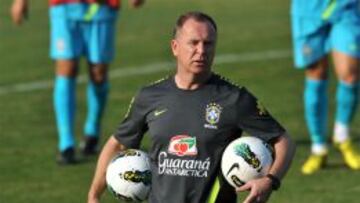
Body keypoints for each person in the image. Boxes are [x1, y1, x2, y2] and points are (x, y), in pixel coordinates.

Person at [87, 11, 296, 203]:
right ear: (175, 47)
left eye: (208, 44)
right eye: (193, 43)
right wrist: (94, 194)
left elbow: (283, 141)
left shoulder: (233, 98)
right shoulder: (150, 97)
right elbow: (117, 144)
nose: (201, 51)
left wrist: (270, 180)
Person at [10, 0, 145, 164]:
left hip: (102, 6)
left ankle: (92, 133)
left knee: (98, 73)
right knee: (66, 68)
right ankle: (66, 145)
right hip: (64, 6)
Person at [290, 0, 360, 175]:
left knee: (350, 74)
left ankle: (342, 136)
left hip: (345, 6)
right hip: (308, 9)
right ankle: (318, 146)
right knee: (316, 73)